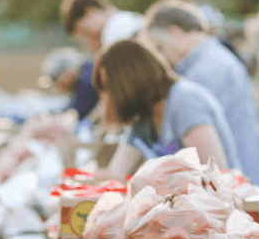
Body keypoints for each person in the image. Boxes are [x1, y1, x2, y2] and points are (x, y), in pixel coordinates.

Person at [142, 0, 259, 193]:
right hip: (238, 185)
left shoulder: (206, 71)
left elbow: (202, 152)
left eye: (160, 47)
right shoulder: (211, 61)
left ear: (175, 32)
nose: (162, 56)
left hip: (232, 191)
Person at [92, 40, 241, 177]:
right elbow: (115, 174)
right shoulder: (145, 116)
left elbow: (216, 175)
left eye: (109, 88)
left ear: (128, 83)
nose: (107, 98)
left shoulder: (185, 101)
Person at [39, 47, 100, 121]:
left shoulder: (85, 79)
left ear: (66, 71)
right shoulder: (87, 68)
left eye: (56, 80)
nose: (58, 86)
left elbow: (75, 112)